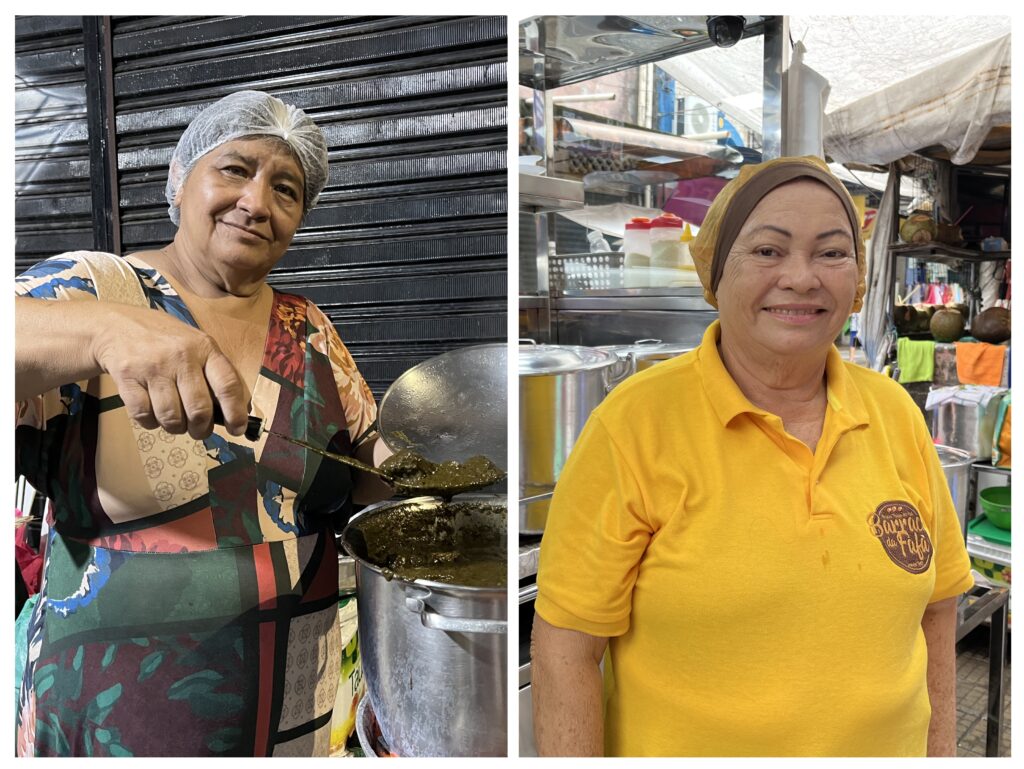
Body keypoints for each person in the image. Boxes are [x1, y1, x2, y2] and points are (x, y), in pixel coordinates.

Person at [531, 156, 973, 758]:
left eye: (832, 252)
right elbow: (567, 646)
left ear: (860, 273)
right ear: (716, 268)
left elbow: (939, 610)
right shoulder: (635, 425)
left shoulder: (894, 414)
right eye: (768, 251)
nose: (801, 277)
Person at [14, 90, 394, 757]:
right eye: (234, 169)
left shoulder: (309, 331)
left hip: (287, 711)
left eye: (286, 188)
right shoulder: (97, 288)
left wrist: (421, 468)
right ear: (178, 178)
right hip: (113, 714)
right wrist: (106, 330)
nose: (257, 201)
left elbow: (361, 466)